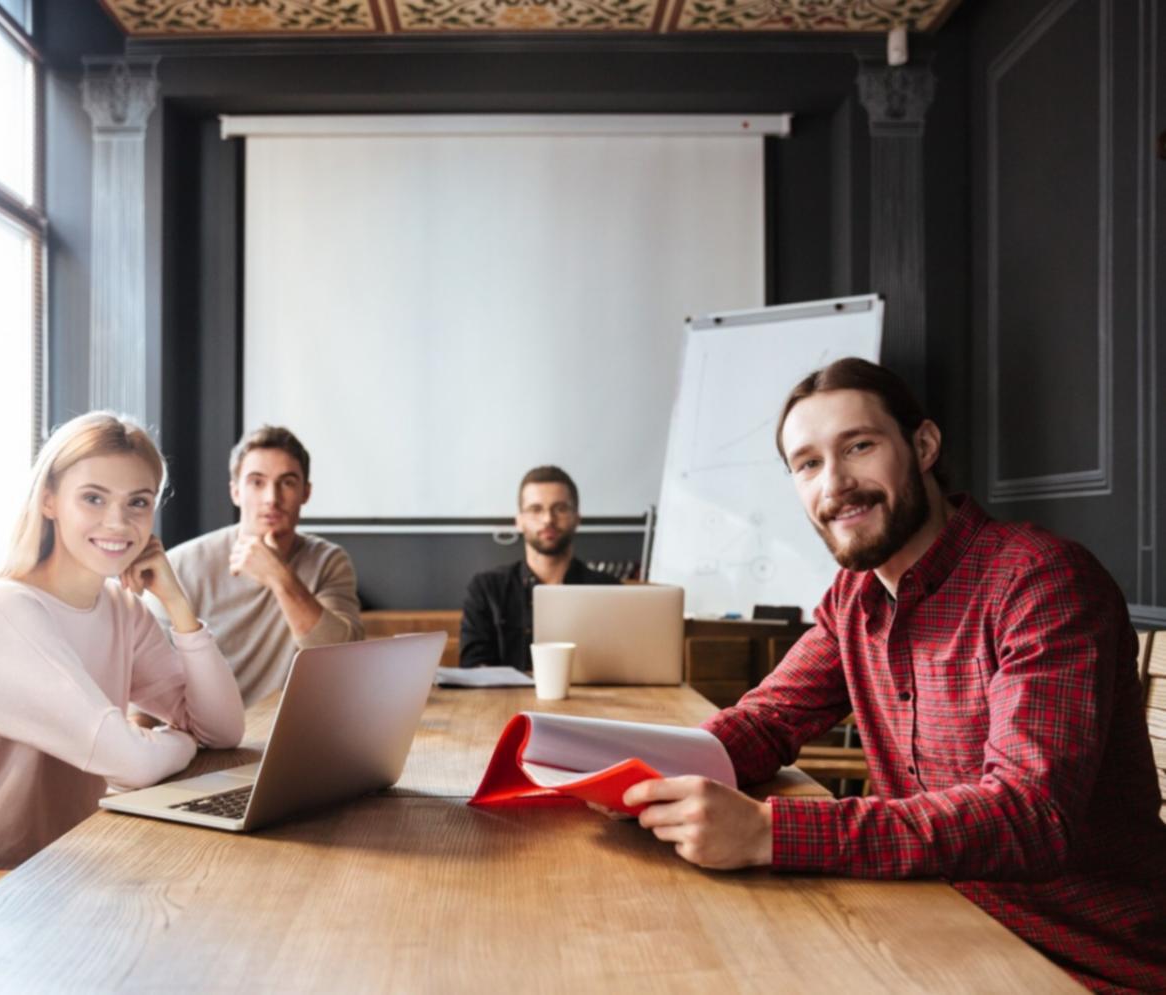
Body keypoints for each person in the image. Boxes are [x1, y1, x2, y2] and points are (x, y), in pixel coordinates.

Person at [615, 358, 1166, 991]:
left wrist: (770, 832)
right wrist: (634, 772)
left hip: (1087, 963)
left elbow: (1029, 815)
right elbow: (767, 721)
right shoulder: (854, 597)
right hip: (933, 924)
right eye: (808, 464)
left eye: (859, 446)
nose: (835, 484)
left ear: (923, 446)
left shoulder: (1039, 580)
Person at [0, 412, 245, 970]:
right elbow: (132, 763)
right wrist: (178, 742)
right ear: (48, 500)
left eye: (138, 501)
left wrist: (179, 607)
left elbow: (222, 727)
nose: (119, 521)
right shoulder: (1, 609)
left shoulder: (120, 609)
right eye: (93, 497)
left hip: (50, 876)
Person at [164, 425, 363, 705]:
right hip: (203, 734)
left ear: (305, 493)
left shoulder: (328, 561)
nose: (272, 498)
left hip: (290, 730)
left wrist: (279, 578)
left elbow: (345, 661)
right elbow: (149, 678)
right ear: (235, 492)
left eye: (287, 482)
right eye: (257, 482)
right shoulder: (182, 565)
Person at [459, 466, 620, 672]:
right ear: (519, 521)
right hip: (507, 704)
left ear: (577, 518)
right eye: (536, 509)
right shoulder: (486, 588)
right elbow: (473, 665)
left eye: (560, 508)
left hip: (587, 703)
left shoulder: (609, 590)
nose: (548, 519)